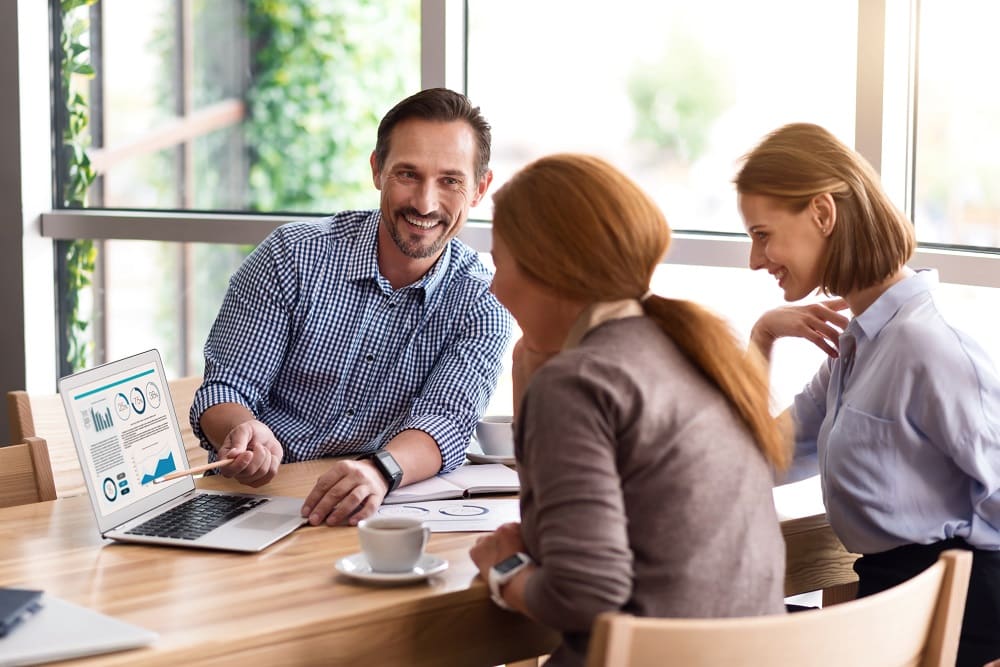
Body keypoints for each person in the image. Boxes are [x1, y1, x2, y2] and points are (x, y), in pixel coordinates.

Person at [469, 153, 788, 667]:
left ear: (549, 267)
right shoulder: (697, 349)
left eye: (499, 261)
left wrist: (503, 570)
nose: (494, 286)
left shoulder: (577, 383)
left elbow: (585, 596)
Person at [737, 122, 1000, 667]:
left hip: (953, 617)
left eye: (762, 234)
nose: (755, 259)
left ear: (823, 214)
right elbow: (753, 460)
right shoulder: (857, 347)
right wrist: (762, 336)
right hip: (893, 604)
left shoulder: (930, 348)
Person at [190, 88, 512, 527]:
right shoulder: (290, 257)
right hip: (256, 500)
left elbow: (445, 423)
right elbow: (226, 388)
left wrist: (379, 472)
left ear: (480, 189)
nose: (425, 203)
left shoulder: (484, 300)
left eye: (450, 181)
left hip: (371, 507)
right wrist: (242, 431)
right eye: (407, 174)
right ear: (377, 170)